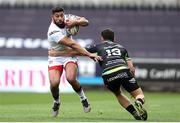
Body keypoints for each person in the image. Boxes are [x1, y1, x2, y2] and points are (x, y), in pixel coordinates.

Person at [48, 28, 148, 120]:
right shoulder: (122, 48)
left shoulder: (98, 46)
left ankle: (135, 113)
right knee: (139, 94)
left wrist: (57, 54)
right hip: (123, 71)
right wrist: (131, 80)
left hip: (108, 75)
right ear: (114, 38)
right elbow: (131, 68)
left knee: (118, 93)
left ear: (102, 38)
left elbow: (77, 51)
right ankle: (138, 102)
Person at [47, 7, 102, 117]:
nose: (60, 18)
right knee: (54, 84)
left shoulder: (68, 18)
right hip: (57, 57)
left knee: (71, 78)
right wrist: (89, 54)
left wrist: (75, 22)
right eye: (57, 16)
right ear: (52, 17)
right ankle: (56, 102)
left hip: (69, 55)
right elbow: (73, 44)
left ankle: (83, 98)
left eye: (61, 15)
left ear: (64, 14)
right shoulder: (53, 31)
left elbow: (86, 22)